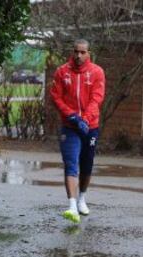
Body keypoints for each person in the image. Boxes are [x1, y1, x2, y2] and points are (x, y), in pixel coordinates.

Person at [50, 39, 106, 223]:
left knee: (87, 164)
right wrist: (72, 116)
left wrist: (86, 120)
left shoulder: (97, 72)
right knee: (71, 163)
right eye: (76, 52)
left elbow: (96, 98)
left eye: (82, 52)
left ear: (89, 53)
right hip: (70, 127)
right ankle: (72, 206)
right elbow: (56, 97)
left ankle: (82, 198)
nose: (78, 55)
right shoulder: (62, 72)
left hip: (91, 127)